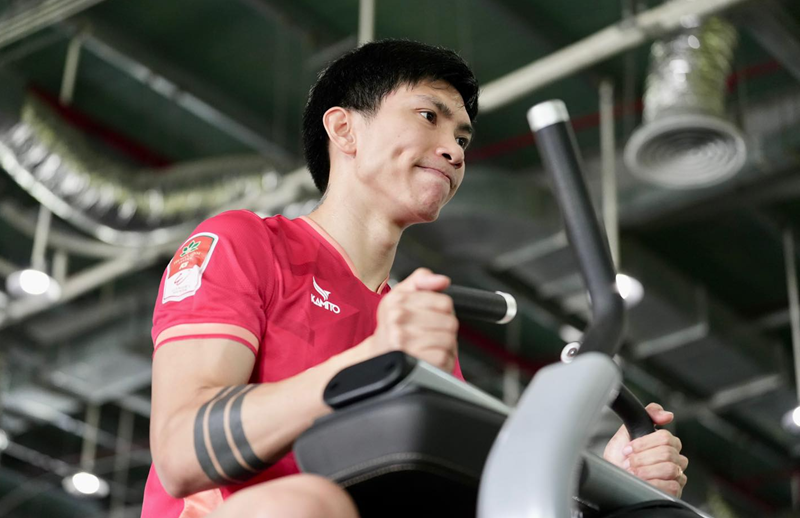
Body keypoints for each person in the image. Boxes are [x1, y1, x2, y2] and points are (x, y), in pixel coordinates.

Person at [142, 39, 688, 518]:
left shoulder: (417, 335)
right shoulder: (244, 243)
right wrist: (372, 361)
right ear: (344, 129)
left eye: (463, 139)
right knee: (304, 504)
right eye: (429, 116)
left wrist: (594, 482)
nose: (453, 151)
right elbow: (179, 452)